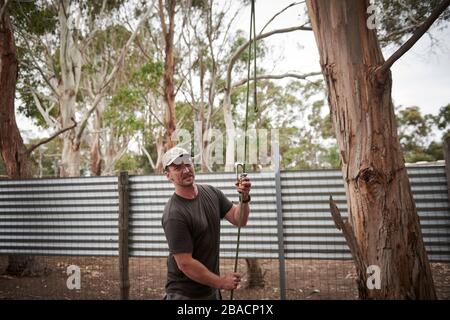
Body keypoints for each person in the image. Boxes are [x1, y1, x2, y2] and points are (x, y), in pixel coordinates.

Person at [161, 146, 251, 300]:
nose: (186, 170)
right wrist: (221, 282)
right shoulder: (174, 214)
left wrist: (244, 198)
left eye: (187, 163)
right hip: (185, 294)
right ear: (168, 175)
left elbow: (239, 219)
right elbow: (185, 264)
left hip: (211, 290)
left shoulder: (211, 193)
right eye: (177, 167)